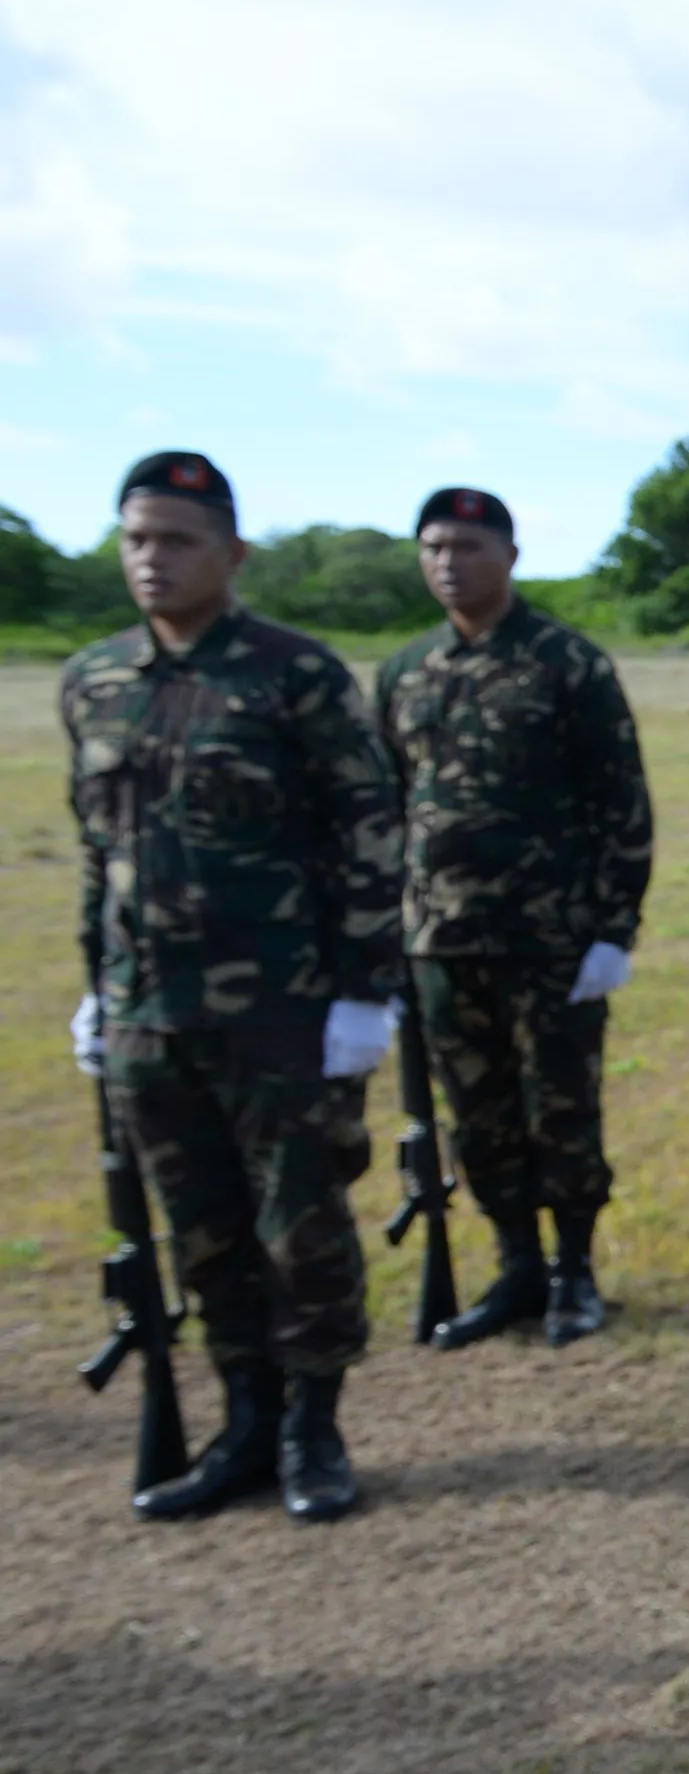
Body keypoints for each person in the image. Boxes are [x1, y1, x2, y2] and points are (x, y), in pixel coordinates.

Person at [61, 451, 403, 1523]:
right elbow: (95, 848)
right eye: (135, 539)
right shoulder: (96, 679)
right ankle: (242, 1419)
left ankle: (314, 1423)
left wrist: (363, 992)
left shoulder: (292, 675)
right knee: (201, 1228)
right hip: (148, 1013)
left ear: (231, 552)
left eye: (176, 540)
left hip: (281, 1011)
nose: (151, 560)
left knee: (299, 1225)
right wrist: (95, 985)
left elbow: (369, 832)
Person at [373, 486, 654, 1347]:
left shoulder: (567, 664)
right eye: (434, 549)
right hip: (440, 940)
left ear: (510, 556)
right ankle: (515, 1269)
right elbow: (383, 812)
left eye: (467, 547)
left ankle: (574, 1269)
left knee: (560, 1110)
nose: (449, 564)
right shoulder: (404, 673)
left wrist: (613, 931)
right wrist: (381, 938)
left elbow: (622, 804)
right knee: (478, 1114)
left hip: (551, 940)